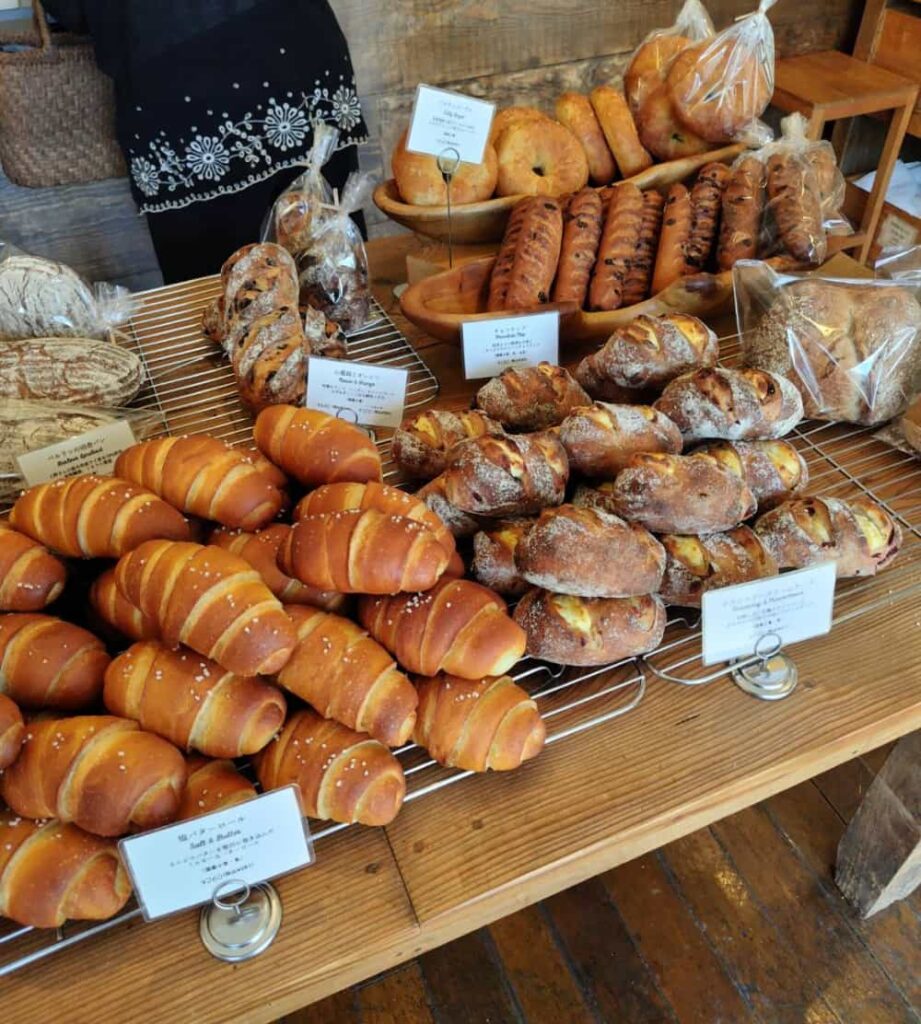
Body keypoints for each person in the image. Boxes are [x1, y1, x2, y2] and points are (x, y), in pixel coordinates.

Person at [43, 0, 367, 282]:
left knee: (224, 300)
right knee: (335, 284)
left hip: (180, 87)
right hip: (296, 56)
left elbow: (72, 11)